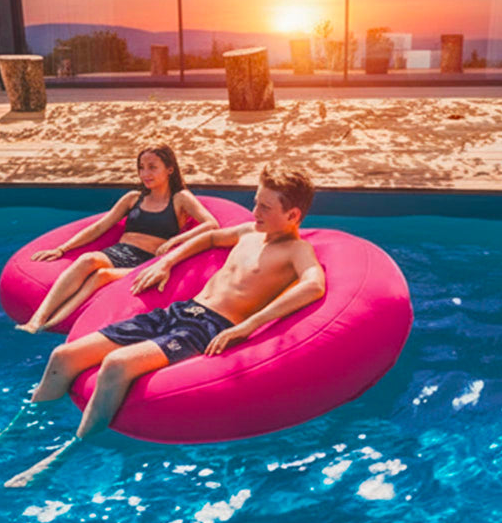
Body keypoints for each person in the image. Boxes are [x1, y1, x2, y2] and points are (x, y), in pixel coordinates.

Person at [28, 164, 324, 442]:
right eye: (256, 201)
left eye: (265, 207)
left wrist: (246, 327)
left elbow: (313, 285)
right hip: (180, 311)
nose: (254, 211)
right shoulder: (249, 232)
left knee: (116, 365)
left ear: (293, 215)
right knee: (63, 355)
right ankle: (19, 434)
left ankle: (68, 453)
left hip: (209, 327)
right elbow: (209, 240)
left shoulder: (296, 250)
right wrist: (167, 261)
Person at [17, 145, 218, 334]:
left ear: (170, 169)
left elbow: (211, 224)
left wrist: (176, 240)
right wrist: (62, 249)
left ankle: (54, 321)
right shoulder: (133, 198)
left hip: (148, 262)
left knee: (101, 276)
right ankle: (38, 319)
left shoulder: (180, 198)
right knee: (87, 260)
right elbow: (100, 226)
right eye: (141, 168)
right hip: (119, 252)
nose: (145, 174)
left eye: (152, 167)